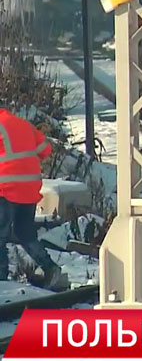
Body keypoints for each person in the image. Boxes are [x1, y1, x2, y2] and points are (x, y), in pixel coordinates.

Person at [0, 107, 68, 290]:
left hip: (6, 187)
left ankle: (2, 282)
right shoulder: (24, 125)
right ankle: (51, 268)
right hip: (29, 188)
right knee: (25, 234)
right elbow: (45, 150)